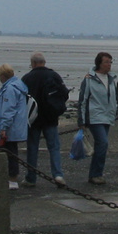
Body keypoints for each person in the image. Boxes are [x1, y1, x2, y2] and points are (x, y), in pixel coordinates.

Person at [20, 53, 68, 187]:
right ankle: (58, 175)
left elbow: (21, 98)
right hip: (51, 117)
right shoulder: (54, 76)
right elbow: (64, 93)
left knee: (32, 147)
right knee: (54, 147)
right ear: (44, 62)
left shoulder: (27, 78)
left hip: (33, 119)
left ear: (33, 63)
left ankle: (31, 177)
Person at [77, 52, 117, 185]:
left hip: (107, 116)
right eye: (106, 62)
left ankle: (96, 173)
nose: (109, 65)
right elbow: (82, 100)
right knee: (103, 142)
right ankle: (95, 174)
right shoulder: (89, 79)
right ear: (99, 63)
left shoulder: (111, 80)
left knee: (102, 145)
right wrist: (81, 120)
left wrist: (114, 111)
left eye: (110, 62)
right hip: (95, 117)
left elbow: (113, 98)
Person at [0, 64, 29, 189]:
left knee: (6, 153)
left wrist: (3, 128)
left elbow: (9, 110)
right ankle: (10, 179)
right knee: (11, 152)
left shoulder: (10, 89)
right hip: (15, 127)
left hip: (9, 129)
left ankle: (10, 180)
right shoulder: (18, 85)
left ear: (2, 76)